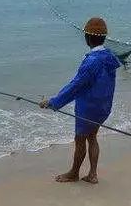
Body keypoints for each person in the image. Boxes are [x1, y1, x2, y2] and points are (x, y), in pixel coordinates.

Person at [39, 17, 120, 184]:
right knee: (93, 137)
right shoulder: (109, 56)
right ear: (104, 38)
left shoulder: (91, 61)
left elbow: (75, 87)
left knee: (80, 140)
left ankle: (74, 173)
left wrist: (53, 102)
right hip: (104, 106)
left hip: (89, 107)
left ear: (87, 38)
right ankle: (93, 174)